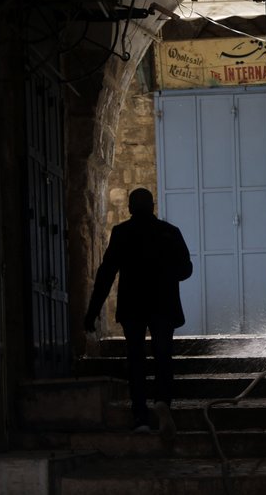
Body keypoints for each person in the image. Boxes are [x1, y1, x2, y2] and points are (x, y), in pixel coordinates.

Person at [84, 187, 193, 439]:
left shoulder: (122, 233)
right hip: (164, 305)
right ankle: (163, 402)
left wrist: (92, 312)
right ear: (153, 206)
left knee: (135, 359)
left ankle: (140, 415)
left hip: (133, 306)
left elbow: (106, 273)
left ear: (130, 208)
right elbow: (186, 269)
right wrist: (166, 274)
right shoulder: (170, 232)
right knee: (163, 356)